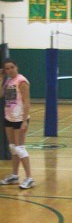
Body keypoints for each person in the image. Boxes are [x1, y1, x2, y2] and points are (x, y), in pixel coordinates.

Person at [0, 59, 35, 189]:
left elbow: (27, 102)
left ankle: (29, 178)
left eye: (12, 67)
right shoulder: (8, 81)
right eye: (7, 69)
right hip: (9, 117)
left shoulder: (22, 81)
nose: (10, 70)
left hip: (20, 118)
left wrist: (24, 121)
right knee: (13, 147)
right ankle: (14, 175)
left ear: (16, 67)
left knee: (20, 148)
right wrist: (1, 78)